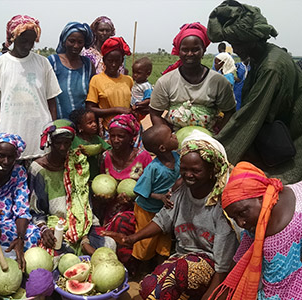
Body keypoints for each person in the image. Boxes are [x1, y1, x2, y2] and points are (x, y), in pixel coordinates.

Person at [103, 132, 238, 300]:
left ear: (212, 171)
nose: (188, 175)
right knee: (147, 287)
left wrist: (210, 296)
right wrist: (131, 239)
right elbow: (163, 219)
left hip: (209, 264)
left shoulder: (221, 207)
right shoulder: (182, 192)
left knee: (166, 286)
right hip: (181, 258)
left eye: (196, 170)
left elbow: (222, 264)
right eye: (184, 169)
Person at [208, 0, 302, 184]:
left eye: (238, 43)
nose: (235, 49)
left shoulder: (271, 67)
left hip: (293, 140)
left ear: (252, 39)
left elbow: (252, 116)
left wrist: (215, 151)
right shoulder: (261, 57)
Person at [211, 161, 302, 300]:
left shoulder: (296, 213)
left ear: (260, 197)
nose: (241, 223)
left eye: (242, 213)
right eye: (234, 218)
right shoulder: (256, 223)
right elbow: (239, 261)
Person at [29, 119, 116, 255]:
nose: (63, 147)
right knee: (53, 256)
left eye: (66, 142)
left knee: (109, 245)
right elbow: (36, 209)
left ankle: (83, 242)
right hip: (55, 226)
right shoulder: (38, 169)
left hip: (84, 224)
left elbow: (84, 201)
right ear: (50, 142)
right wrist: (44, 229)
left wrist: (83, 234)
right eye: (58, 143)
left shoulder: (78, 163)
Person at [0, 15, 61, 161]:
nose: (27, 45)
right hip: (9, 138)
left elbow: (52, 101)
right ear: (12, 38)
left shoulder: (43, 63)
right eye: (23, 40)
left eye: (31, 42)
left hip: (40, 136)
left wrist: (52, 131)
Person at [149, 22, 236, 134]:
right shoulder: (165, 81)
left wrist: (218, 138)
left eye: (195, 49)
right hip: (174, 139)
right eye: (185, 50)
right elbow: (155, 114)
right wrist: (167, 137)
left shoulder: (219, 82)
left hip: (209, 138)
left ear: (203, 51)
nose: (190, 54)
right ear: (179, 51)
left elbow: (229, 111)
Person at [0, 133, 41, 271]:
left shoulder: (17, 172)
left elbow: (22, 209)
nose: (6, 161)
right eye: (1, 156)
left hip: (10, 226)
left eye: (11, 157)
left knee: (33, 233)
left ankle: (16, 264)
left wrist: (20, 238)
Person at [97, 114, 152, 265]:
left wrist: (134, 199)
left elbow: (151, 189)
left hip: (138, 210)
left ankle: (128, 264)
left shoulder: (143, 157)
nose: (115, 140)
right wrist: (108, 198)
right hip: (110, 209)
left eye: (120, 136)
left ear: (131, 138)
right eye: (112, 136)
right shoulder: (104, 157)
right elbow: (101, 184)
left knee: (122, 221)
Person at [131, 124, 180, 265]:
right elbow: (139, 190)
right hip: (147, 209)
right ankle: (139, 267)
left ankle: (159, 269)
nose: (175, 136)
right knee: (146, 242)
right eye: (171, 135)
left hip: (164, 209)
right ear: (162, 148)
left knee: (164, 240)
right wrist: (161, 197)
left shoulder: (178, 158)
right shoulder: (154, 168)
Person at [48, 22, 94, 119]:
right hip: (58, 124)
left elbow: (92, 97)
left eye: (80, 42)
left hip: (82, 126)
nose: (76, 46)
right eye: (72, 41)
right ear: (64, 41)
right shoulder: (53, 62)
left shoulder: (87, 65)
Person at [86, 37, 133, 131]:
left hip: (128, 130)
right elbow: (90, 108)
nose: (114, 64)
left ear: (122, 61)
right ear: (104, 60)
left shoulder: (128, 80)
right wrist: (116, 110)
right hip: (109, 130)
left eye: (117, 61)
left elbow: (131, 105)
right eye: (110, 61)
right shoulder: (97, 80)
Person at [69, 107, 110, 180]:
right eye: (90, 123)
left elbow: (109, 149)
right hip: (80, 177)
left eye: (94, 121)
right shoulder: (75, 140)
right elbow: (70, 155)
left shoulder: (96, 139)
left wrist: (102, 150)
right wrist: (79, 153)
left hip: (95, 175)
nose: (94, 125)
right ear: (80, 127)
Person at [131, 57, 153, 121]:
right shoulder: (137, 83)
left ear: (147, 74)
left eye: (138, 73)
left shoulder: (146, 86)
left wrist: (137, 105)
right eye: (133, 72)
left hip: (140, 110)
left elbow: (148, 99)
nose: (135, 75)